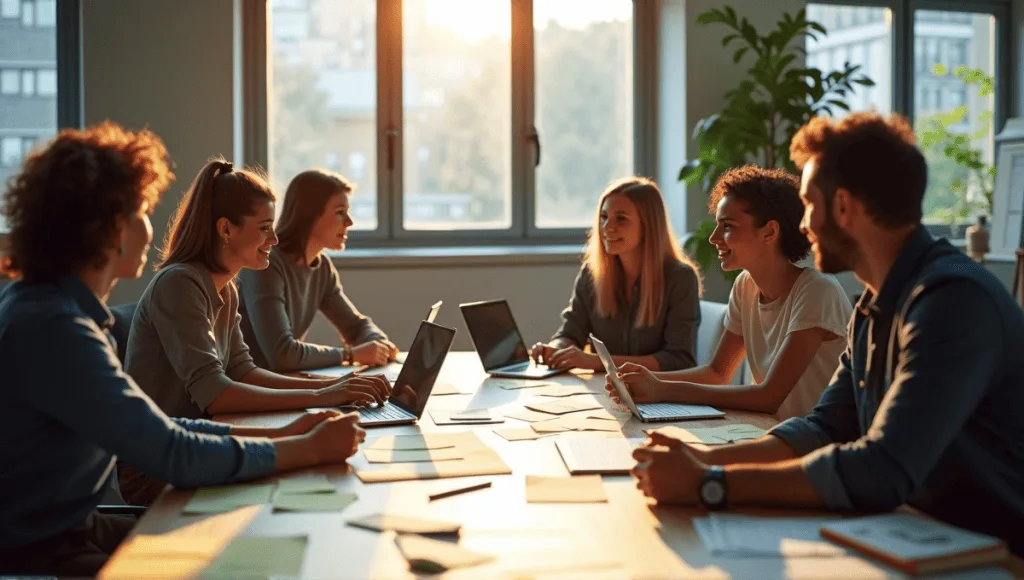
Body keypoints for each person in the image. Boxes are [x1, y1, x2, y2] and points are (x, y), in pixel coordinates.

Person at [629, 112, 1024, 554]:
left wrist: (712, 483)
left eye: (809, 204)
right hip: (920, 535)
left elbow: (881, 466)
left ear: (843, 207)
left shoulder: (953, 299)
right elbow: (824, 427)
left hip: (994, 554)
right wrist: (699, 460)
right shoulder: (874, 305)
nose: (803, 225)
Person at [0, 123, 366, 576]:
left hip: (72, 528)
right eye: (142, 209)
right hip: (38, 549)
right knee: (240, 558)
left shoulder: (52, 311)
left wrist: (291, 436)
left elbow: (161, 425)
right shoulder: (55, 329)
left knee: (254, 541)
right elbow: (168, 448)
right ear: (109, 227)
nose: (149, 224)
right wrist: (305, 449)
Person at [121, 159, 390, 505]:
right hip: (158, 465)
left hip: (203, 445)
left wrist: (330, 388)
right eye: (264, 228)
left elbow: (243, 370)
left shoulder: (226, 288)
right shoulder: (180, 284)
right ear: (225, 229)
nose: (274, 239)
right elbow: (215, 393)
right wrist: (320, 397)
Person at [606, 166, 852, 420]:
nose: (713, 238)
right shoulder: (746, 285)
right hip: (774, 432)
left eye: (727, 226)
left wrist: (662, 389)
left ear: (769, 232)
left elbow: (768, 397)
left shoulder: (816, 291)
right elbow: (717, 373)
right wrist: (642, 381)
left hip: (818, 446)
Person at [530, 177, 701, 372]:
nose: (607, 227)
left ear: (648, 226)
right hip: (606, 391)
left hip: (658, 396)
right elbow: (570, 333)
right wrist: (554, 349)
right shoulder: (591, 274)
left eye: (621, 219)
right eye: (604, 217)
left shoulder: (681, 278)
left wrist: (596, 361)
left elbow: (680, 360)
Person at [238, 169, 396, 373]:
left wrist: (379, 344)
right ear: (310, 216)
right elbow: (281, 355)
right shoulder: (265, 264)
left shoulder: (322, 267)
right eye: (340, 212)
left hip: (286, 384)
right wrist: (350, 354)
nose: (349, 222)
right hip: (253, 389)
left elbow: (356, 327)